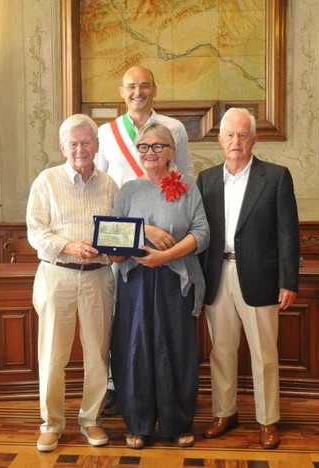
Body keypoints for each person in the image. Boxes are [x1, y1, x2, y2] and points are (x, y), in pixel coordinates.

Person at [196, 107, 300, 450]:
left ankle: (268, 420)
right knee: (221, 352)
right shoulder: (206, 179)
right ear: (220, 140)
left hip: (260, 277)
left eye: (243, 135)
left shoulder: (276, 176)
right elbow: (199, 232)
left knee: (264, 354)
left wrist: (289, 281)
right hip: (217, 275)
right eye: (230, 135)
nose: (236, 142)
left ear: (254, 139)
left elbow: (288, 234)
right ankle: (224, 413)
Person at [95, 65, 195, 415]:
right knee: (124, 324)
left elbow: (185, 178)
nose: (138, 92)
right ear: (121, 92)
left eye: (145, 86)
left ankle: (168, 404)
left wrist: (173, 235)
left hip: (169, 243)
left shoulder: (174, 129)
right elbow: (102, 190)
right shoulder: (105, 133)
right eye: (131, 87)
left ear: (155, 89)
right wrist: (133, 232)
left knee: (168, 334)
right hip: (123, 242)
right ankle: (116, 387)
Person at [109, 122, 209, 449]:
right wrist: (146, 231)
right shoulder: (127, 191)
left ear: (170, 152)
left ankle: (177, 423)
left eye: (157, 147)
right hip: (134, 283)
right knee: (134, 350)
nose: (149, 153)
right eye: (144, 147)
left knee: (176, 351)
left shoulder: (188, 188)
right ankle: (138, 425)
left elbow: (202, 234)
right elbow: (113, 237)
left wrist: (164, 258)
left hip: (174, 282)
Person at [26, 114, 118, 452]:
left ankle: (90, 420)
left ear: (96, 146)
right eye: (73, 143)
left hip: (98, 278)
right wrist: (68, 246)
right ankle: (52, 424)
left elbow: (118, 230)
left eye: (86, 142)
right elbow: (35, 231)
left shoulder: (109, 184)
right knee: (52, 355)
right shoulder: (46, 181)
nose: (80, 149)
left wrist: (119, 251)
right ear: (62, 147)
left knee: (98, 355)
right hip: (57, 275)